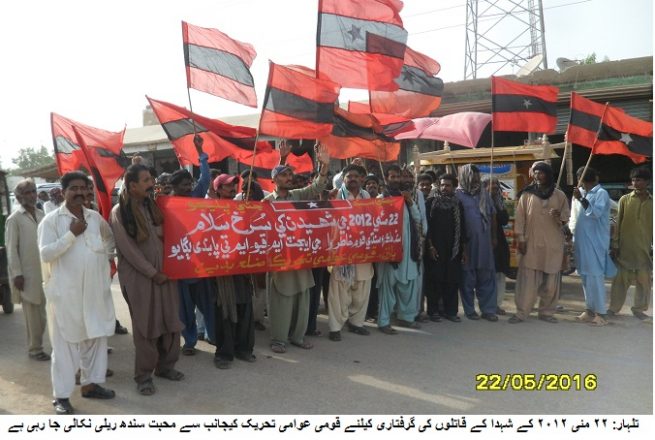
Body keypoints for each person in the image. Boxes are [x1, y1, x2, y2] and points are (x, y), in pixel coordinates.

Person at [38, 171, 116, 415]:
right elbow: (46, 254)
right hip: (66, 295)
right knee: (65, 347)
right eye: (74, 188)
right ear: (63, 192)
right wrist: (72, 234)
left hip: (94, 293)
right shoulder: (51, 221)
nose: (80, 193)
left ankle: (91, 386)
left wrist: (105, 266)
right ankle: (61, 397)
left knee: (95, 340)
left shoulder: (95, 218)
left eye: (84, 188)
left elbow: (110, 242)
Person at [110, 164, 184, 396]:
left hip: (166, 275)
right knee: (146, 327)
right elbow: (129, 251)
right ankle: (143, 376)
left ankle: (166, 367)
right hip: (140, 279)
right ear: (132, 185)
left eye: (151, 179)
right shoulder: (120, 212)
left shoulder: (155, 206)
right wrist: (153, 273)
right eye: (145, 180)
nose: (151, 183)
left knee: (170, 321)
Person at [264, 143, 330, 353]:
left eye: (290, 175)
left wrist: (324, 165)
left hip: (299, 255)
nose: (289, 178)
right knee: (281, 300)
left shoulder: (298, 196)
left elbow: (317, 187)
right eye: (284, 176)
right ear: (274, 180)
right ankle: (278, 339)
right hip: (278, 258)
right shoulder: (266, 201)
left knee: (302, 298)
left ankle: (298, 337)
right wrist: (281, 160)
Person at [169, 136, 215, 355]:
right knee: (185, 309)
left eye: (189, 183)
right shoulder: (167, 205)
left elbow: (205, 179)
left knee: (207, 304)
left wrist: (201, 152)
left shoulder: (195, 197)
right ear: (174, 188)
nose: (189, 187)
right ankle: (189, 342)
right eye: (184, 185)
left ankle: (213, 335)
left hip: (199, 262)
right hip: (179, 265)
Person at [509, 162, 570, 324]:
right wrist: (520, 238)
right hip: (532, 243)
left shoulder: (559, 195)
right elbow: (520, 219)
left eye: (541, 173)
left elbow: (565, 219)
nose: (537, 176)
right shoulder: (526, 195)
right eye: (535, 173)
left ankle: (546, 312)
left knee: (550, 283)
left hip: (552, 244)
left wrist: (558, 216)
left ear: (548, 174)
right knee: (527, 281)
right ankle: (521, 313)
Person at [212, 173, 256, 369]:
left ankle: (244, 349)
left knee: (245, 307)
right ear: (218, 189)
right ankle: (224, 353)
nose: (232, 188)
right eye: (228, 186)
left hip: (243, 265)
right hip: (222, 269)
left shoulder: (242, 208)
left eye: (234, 185)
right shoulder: (210, 211)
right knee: (225, 311)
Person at [327, 164, 374, 341]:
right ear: (343, 179)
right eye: (349, 176)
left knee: (361, 287)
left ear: (362, 179)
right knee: (339, 290)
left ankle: (356, 323)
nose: (352, 179)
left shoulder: (366, 196)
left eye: (356, 176)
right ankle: (335, 327)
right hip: (342, 249)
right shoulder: (336, 195)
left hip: (362, 248)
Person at [5, 180, 49, 361]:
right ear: (18, 197)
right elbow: (11, 249)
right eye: (27, 192)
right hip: (27, 274)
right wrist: (17, 274)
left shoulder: (41, 214)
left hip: (45, 271)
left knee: (45, 313)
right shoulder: (14, 219)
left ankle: (39, 346)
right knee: (33, 314)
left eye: (33, 191)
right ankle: (35, 349)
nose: (32, 195)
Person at [376, 165, 423, 334]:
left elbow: (417, 219)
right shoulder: (382, 198)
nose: (396, 180)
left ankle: (407, 318)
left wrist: (410, 202)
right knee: (387, 289)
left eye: (398, 177)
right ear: (387, 178)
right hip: (390, 252)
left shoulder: (406, 197)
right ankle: (383, 322)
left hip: (408, 251)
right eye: (392, 177)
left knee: (408, 286)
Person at [571, 166, 615, 327]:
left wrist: (582, 200)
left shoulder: (601, 193)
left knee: (595, 277)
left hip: (595, 243)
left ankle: (601, 313)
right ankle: (589, 310)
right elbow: (574, 216)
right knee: (584, 277)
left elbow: (595, 213)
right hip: (581, 241)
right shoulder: (581, 194)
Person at [608, 167, 652, 320]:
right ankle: (613, 308)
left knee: (644, 283)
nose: (635, 182)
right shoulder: (625, 200)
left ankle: (639, 309)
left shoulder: (652, 203)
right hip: (625, 250)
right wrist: (615, 245)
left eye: (639, 180)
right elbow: (618, 224)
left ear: (646, 182)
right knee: (620, 281)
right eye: (633, 180)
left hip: (644, 251)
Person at [455, 164, 498, 322]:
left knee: (486, 276)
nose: (475, 178)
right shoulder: (457, 195)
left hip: (485, 242)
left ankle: (488, 310)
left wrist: (494, 237)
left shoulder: (484, 194)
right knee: (467, 278)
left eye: (477, 175)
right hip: (467, 244)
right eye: (472, 175)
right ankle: (469, 310)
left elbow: (492, 215)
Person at [425, 173, 466, 323]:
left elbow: (463, 228)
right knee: (435, 280)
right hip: (435, 248)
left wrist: (464, 249)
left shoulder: (457, 204)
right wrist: (430, 246)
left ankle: (451, 311)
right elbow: (426, 227)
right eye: (442, 185)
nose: (444, 188)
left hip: (453, 249)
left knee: (452, 281)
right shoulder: (431, 203)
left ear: (454, 187)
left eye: (447, 185)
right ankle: (433, 311)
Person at [482, 176, 511, 315]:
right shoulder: (479, 201)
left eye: (496, 184)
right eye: (490, 184)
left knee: (499, 274)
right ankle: (486, 304)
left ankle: (496, 304)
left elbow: (504, 220)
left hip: (498, 241)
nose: (493, 187)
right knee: (486, 275)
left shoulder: (500, 201)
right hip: (483, 240)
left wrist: (496, 205)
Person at [363, 174, 381, 321]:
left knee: (375, 282)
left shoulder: (384, 201)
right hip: (362, 248)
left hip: (379, 247)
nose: (372, 186)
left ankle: (373, 311)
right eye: (369, 184)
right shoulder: (360, 202)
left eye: (374, 184)